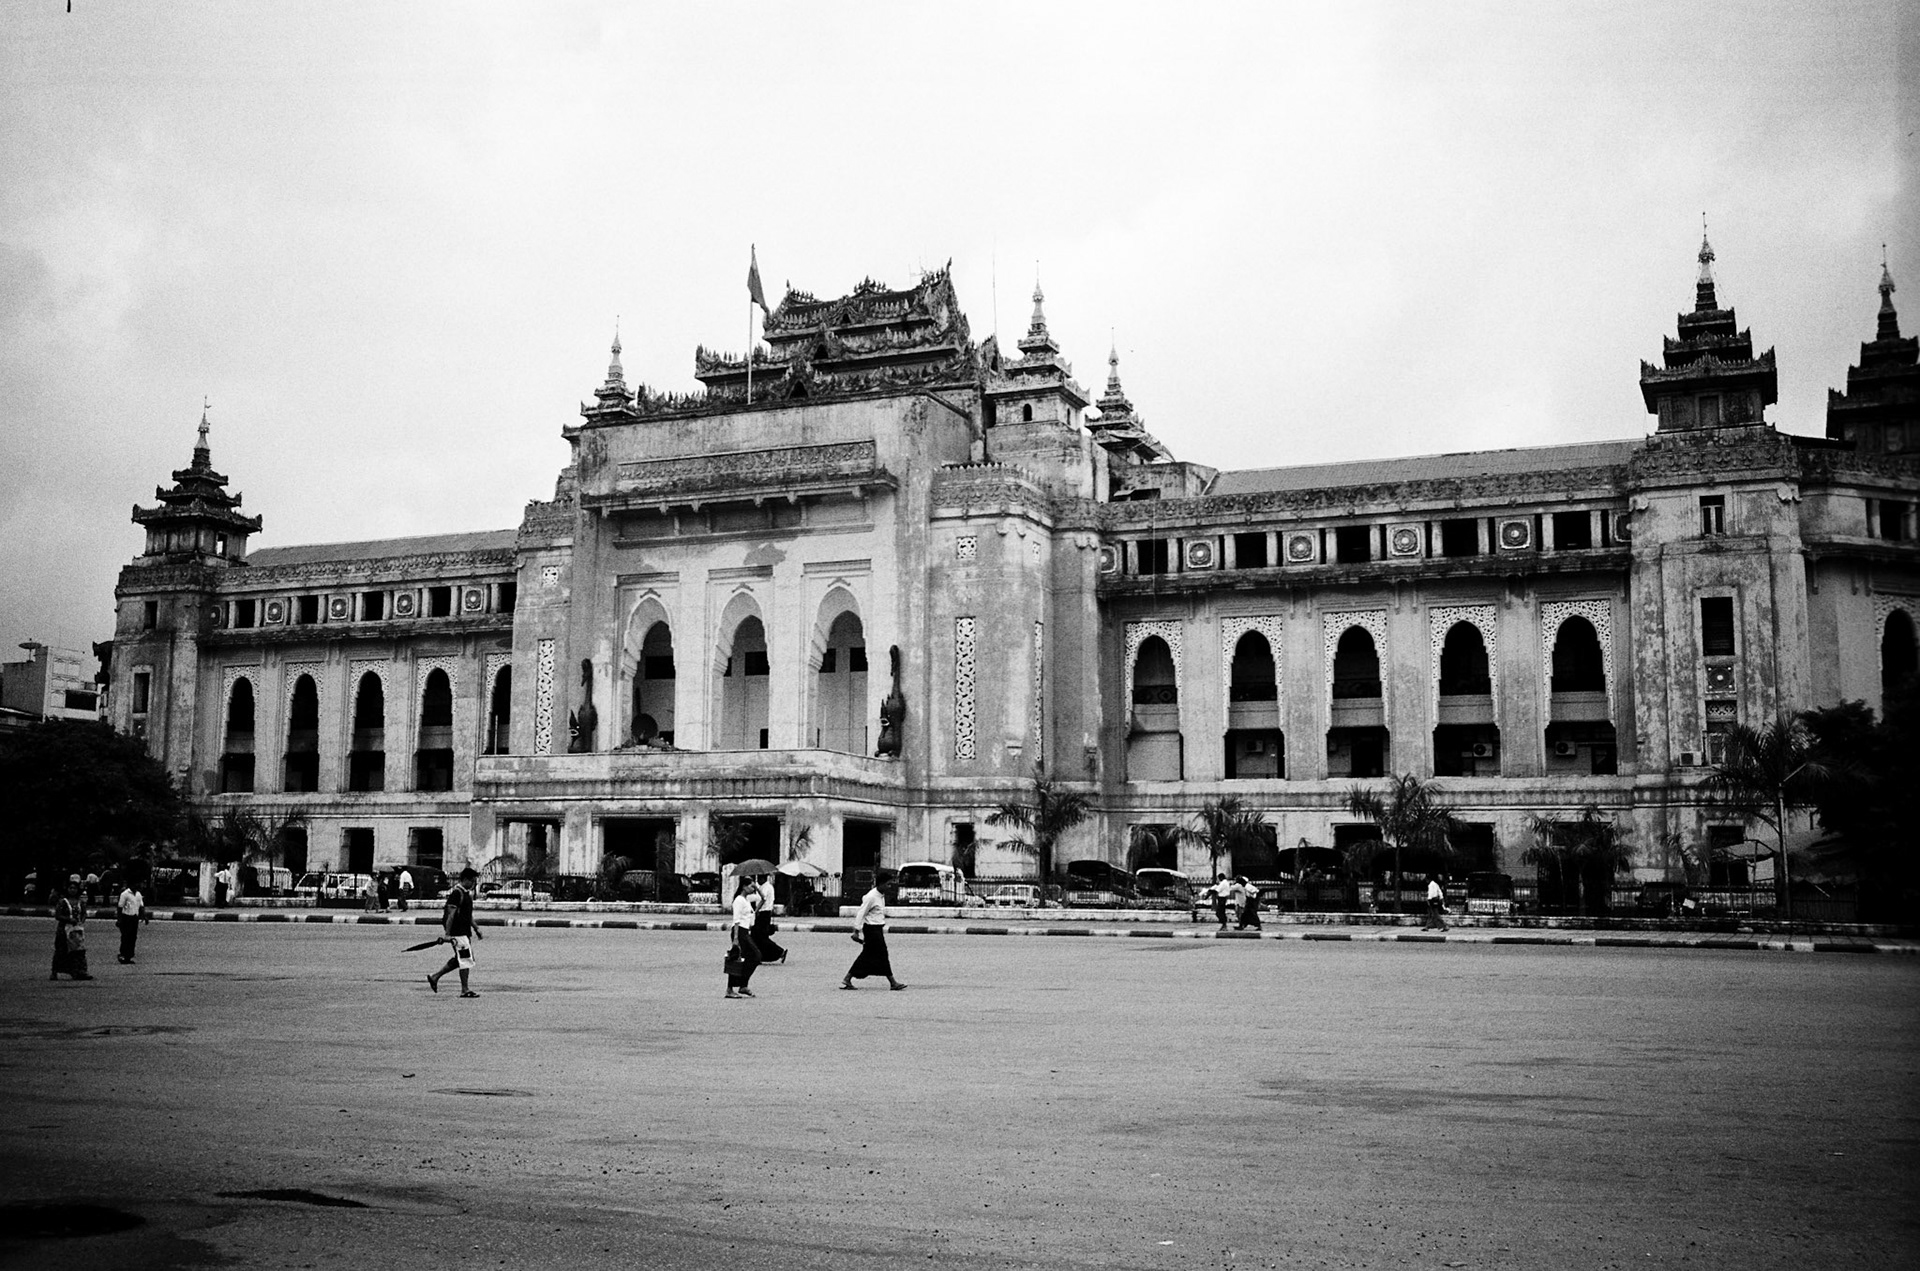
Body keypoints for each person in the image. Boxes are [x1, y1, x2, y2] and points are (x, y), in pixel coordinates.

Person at [842, 876, 905, 991]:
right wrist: (856, 931)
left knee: (867, 955)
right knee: (882, 954)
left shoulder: (881, 896)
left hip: (877, 929)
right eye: (888, 884)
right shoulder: (871, 897)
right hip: (872, 930)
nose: (889, 886)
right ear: (881, 884)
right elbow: (861, 913)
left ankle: (847, 978)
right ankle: (893, 982)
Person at [428, 866, 483, 997]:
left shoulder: (465, 894)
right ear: (465, 880)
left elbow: (468, 915)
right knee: (465, 959)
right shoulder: (456, 894)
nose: (474, 884)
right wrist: (447, 934)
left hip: (464, 931)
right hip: (458, 932)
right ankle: (465, 990)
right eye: (472, 881)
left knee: (463, 958)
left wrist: (476, 928)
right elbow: (451, 915)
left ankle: (435, 977)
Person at [724, 876, 761, 999]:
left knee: (749, 958)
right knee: (739, 958)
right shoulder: (739, 900)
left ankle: (743, 985)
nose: (753, 888)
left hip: (745, 932)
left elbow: (763, 898)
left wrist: (756, 886)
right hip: (739, 932)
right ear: (744, 887)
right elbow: (736, 921)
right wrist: (735, 939)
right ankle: (731, 989)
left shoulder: (747, 899)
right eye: (750, 886)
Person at [50, 880, 92, 980]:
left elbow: (84, 914)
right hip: (64, 930)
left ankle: (79, 971)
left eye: (74, 888)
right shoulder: (63, 902)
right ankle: (54, 971)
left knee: (78, 951)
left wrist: (81, 921)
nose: (72, 890)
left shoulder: (80, 902)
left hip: (76, 930)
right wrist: (69, 920)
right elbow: (58, 915)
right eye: (71, 888)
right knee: (62, 950)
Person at [751, 872, 786, 965]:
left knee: (761, 937)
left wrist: (757, 910)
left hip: (764, 914)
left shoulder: (767, 887)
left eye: (759, 878)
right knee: (755, 937)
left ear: (764, 878)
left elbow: (763, 899)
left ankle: (780, 951)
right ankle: (758, 956)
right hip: (761, 914)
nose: (757, 880)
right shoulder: (762, 887)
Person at [116, 877, 148, 964]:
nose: (137, 886)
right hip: (126, 917)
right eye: (135, 884)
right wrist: (119, 920)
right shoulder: (125, 894)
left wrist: (144, 916)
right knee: (125, 937)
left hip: (134, 918)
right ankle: (123, 954)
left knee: (133, 938)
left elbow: (141, 906)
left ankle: (129, 956)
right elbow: (120, 907)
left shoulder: (138, 894)